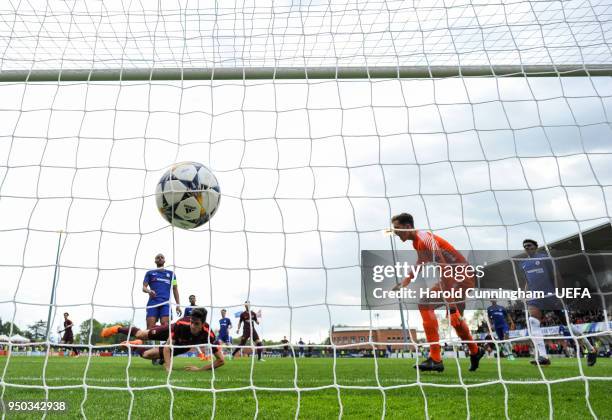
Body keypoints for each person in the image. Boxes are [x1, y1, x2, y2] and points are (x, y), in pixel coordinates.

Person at [390, 213, 484, 372]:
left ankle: (436, 358)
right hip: (456, 277)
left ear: (407, 227)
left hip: (460, 277)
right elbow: (421, 261)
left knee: (428, 305)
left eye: (397, 229)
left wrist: (452, 306)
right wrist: (406, 281)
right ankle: (475, 351)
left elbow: (445, 269)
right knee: (452, 319)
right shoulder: (417, 242)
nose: (395, 233)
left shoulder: (426, 239)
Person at [520, 239, 597, 366]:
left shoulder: (545, 258)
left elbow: (556, 275)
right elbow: (528, 281)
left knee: (568, 326)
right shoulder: (523, 264)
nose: (527, 248)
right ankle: (544, 357)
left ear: (536, 247)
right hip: (536, 297)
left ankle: (591, 349)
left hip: (551, 295)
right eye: (525, 247)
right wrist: (525, 293)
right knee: (533, 321)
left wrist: (559, 293)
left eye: (529, 246)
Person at [100, 308, 224, 372]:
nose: (193, 326)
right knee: (142, 334)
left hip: (183, 345)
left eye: (196, 324)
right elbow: (167, 347)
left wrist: (200, 370)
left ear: (203, 324)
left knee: (148, 355)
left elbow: (221, 361)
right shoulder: (182, 324)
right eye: (192, 322)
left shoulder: (209, 335)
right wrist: (168, 369)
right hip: (171, 331)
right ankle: (118, 328)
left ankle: (134, 346)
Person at [143, 253, 182, 330]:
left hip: (166, 303)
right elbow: (144, 287)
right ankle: (150, 341)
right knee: (149, 328)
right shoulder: (149, 273)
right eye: (158, 257)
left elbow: (175, 289)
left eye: (162, 257)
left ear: (164, 260)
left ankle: (165, 342)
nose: (160, 258)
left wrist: (178, 305)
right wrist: (149, 291)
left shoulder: (171, 274)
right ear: (155, 261)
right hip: (153, 303)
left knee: (165, 327)